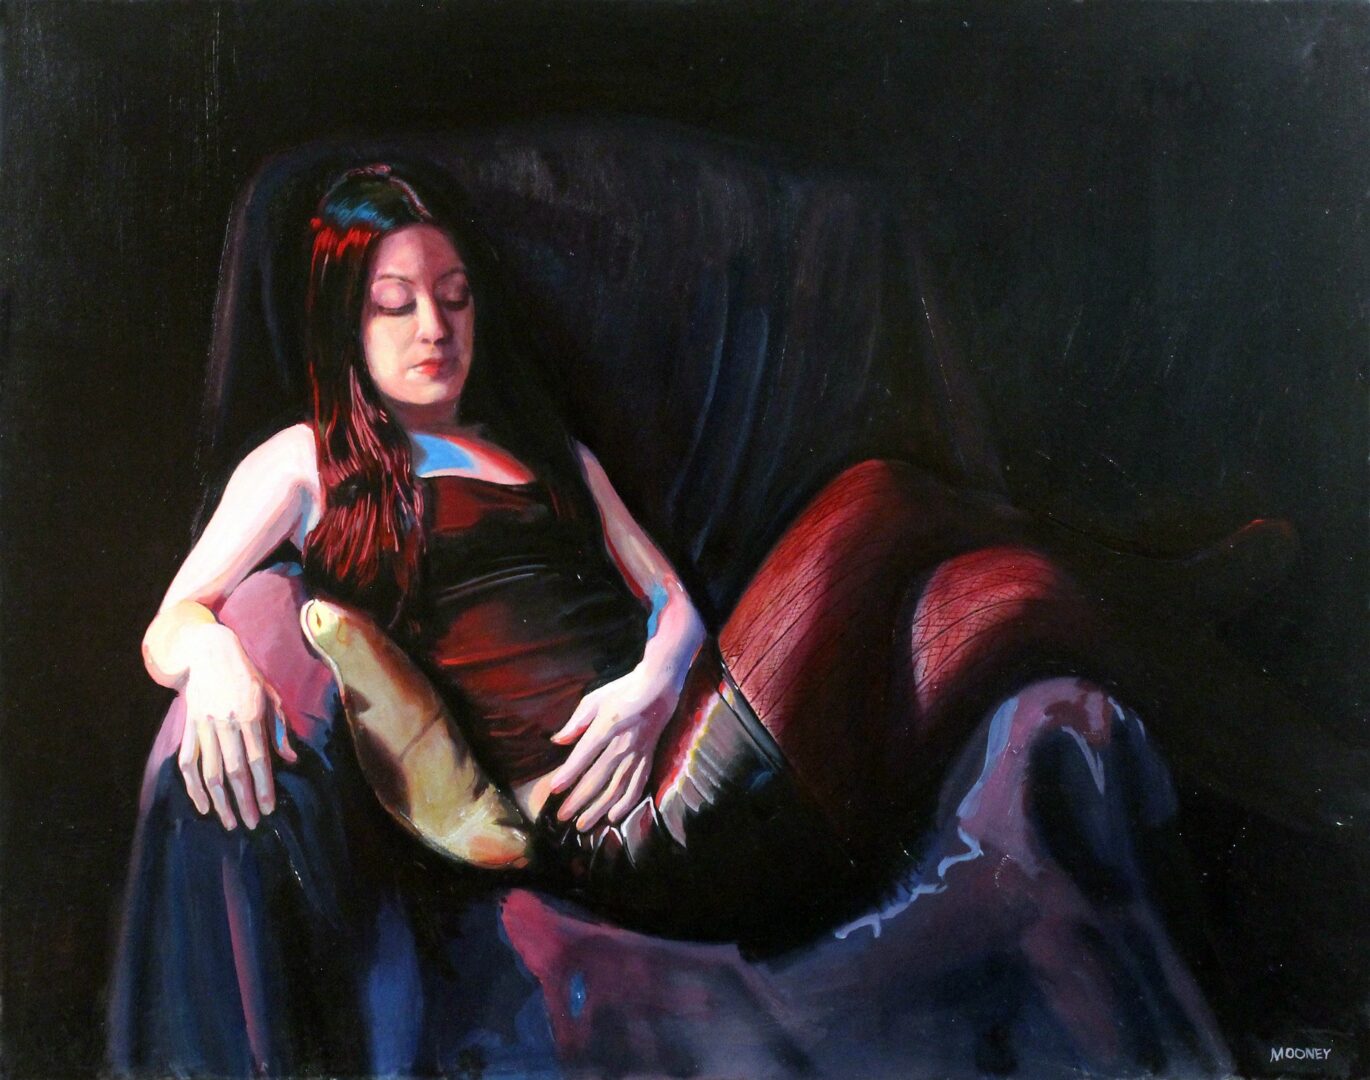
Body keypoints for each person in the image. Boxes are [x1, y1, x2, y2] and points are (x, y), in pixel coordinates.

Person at [108, 165, 1175, 1076]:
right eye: (396, 304)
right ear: (345, 321)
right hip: (640, 828)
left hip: (692, 735)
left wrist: (647, 690)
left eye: (455, 297)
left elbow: (671, 605)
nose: (434, 327)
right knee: (877, 499)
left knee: (1007, 599)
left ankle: (1190, 612)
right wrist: (217, 658)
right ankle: (1180, 580)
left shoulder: (544, 452)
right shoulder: (307, 462)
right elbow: (171, 622)